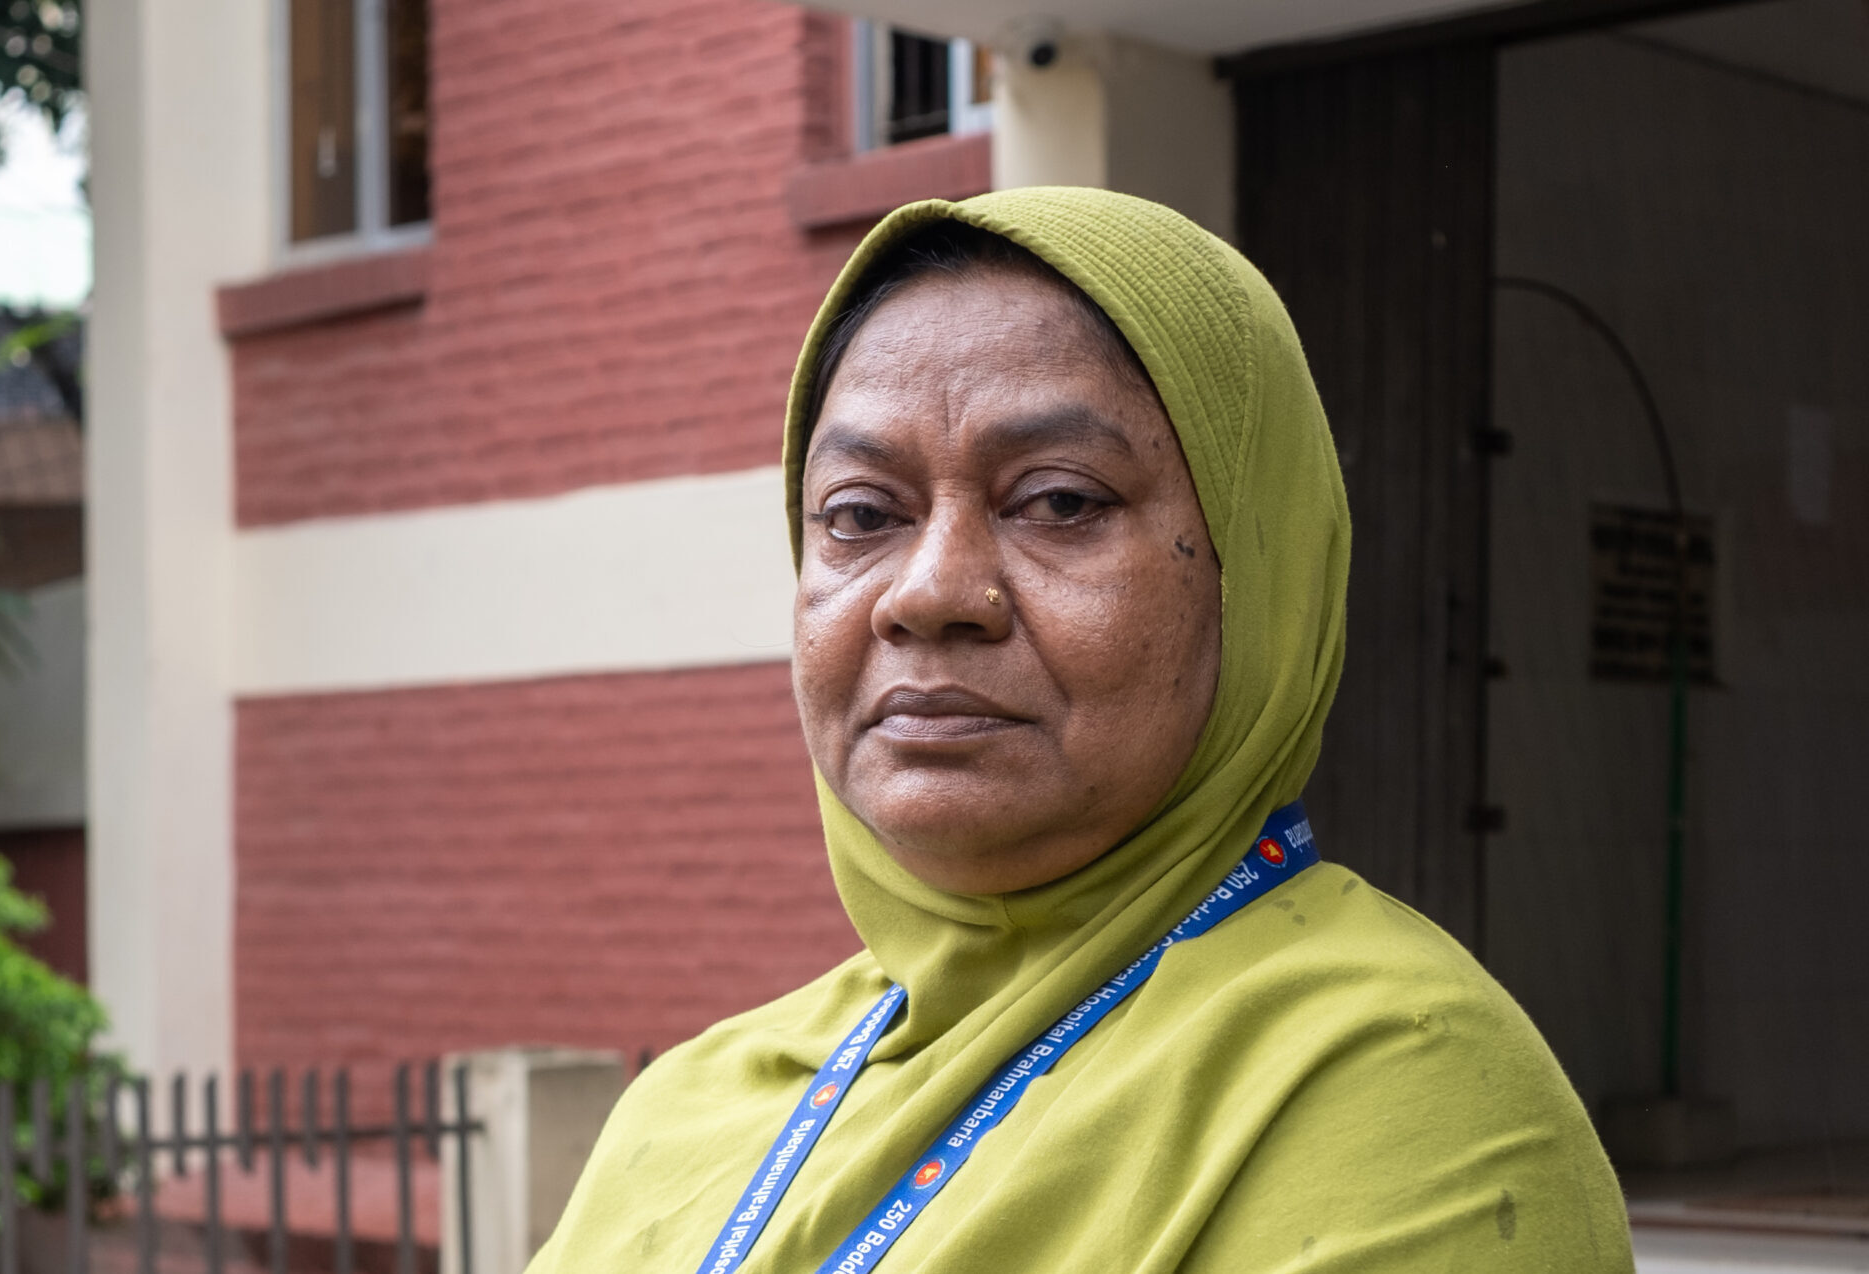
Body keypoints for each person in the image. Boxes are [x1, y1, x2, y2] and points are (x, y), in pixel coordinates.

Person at [526, 188, 1633, 1272]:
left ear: (1259, 569)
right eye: (861, 513)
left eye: (1059, 501)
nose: (929, 591)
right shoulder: (689, 1106)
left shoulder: (1399, 1090)